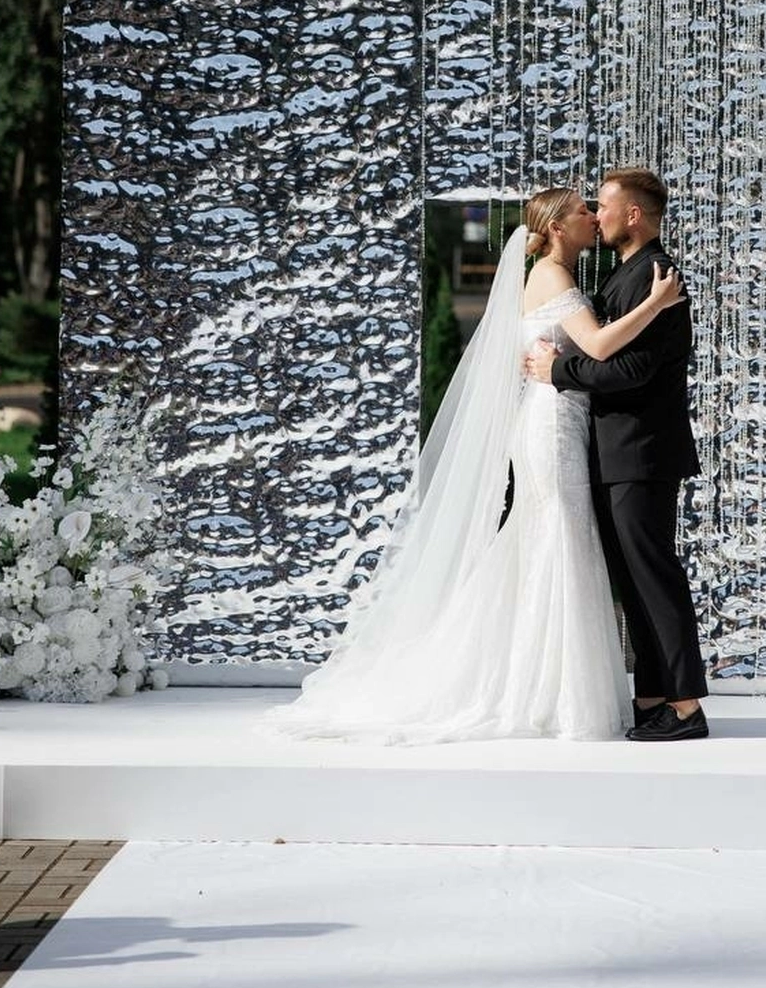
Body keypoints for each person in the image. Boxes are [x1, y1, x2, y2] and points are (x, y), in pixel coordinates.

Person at [267, 186, 684, 745]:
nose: (592, 216)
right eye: (582, 210)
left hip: (560, 422)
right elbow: (600, 347)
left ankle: (544, 687)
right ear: (557, 227)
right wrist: (655, 304)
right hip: (552, 428)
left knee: (550, 543)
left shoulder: (559, 275)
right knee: (557, 540)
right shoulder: (552, 277)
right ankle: (551, 696)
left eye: (595, 207)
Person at [526, 167, 709, 742]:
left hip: (641, 452)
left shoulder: (656, 274)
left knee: (653, 579)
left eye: (602, 206)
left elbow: (632, 369)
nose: (597, 215)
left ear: (633, 214)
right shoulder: (625, 275)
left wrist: (560, 370)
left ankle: (686, 708)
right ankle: (652, 698)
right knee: (633, 583)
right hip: (615, 452)